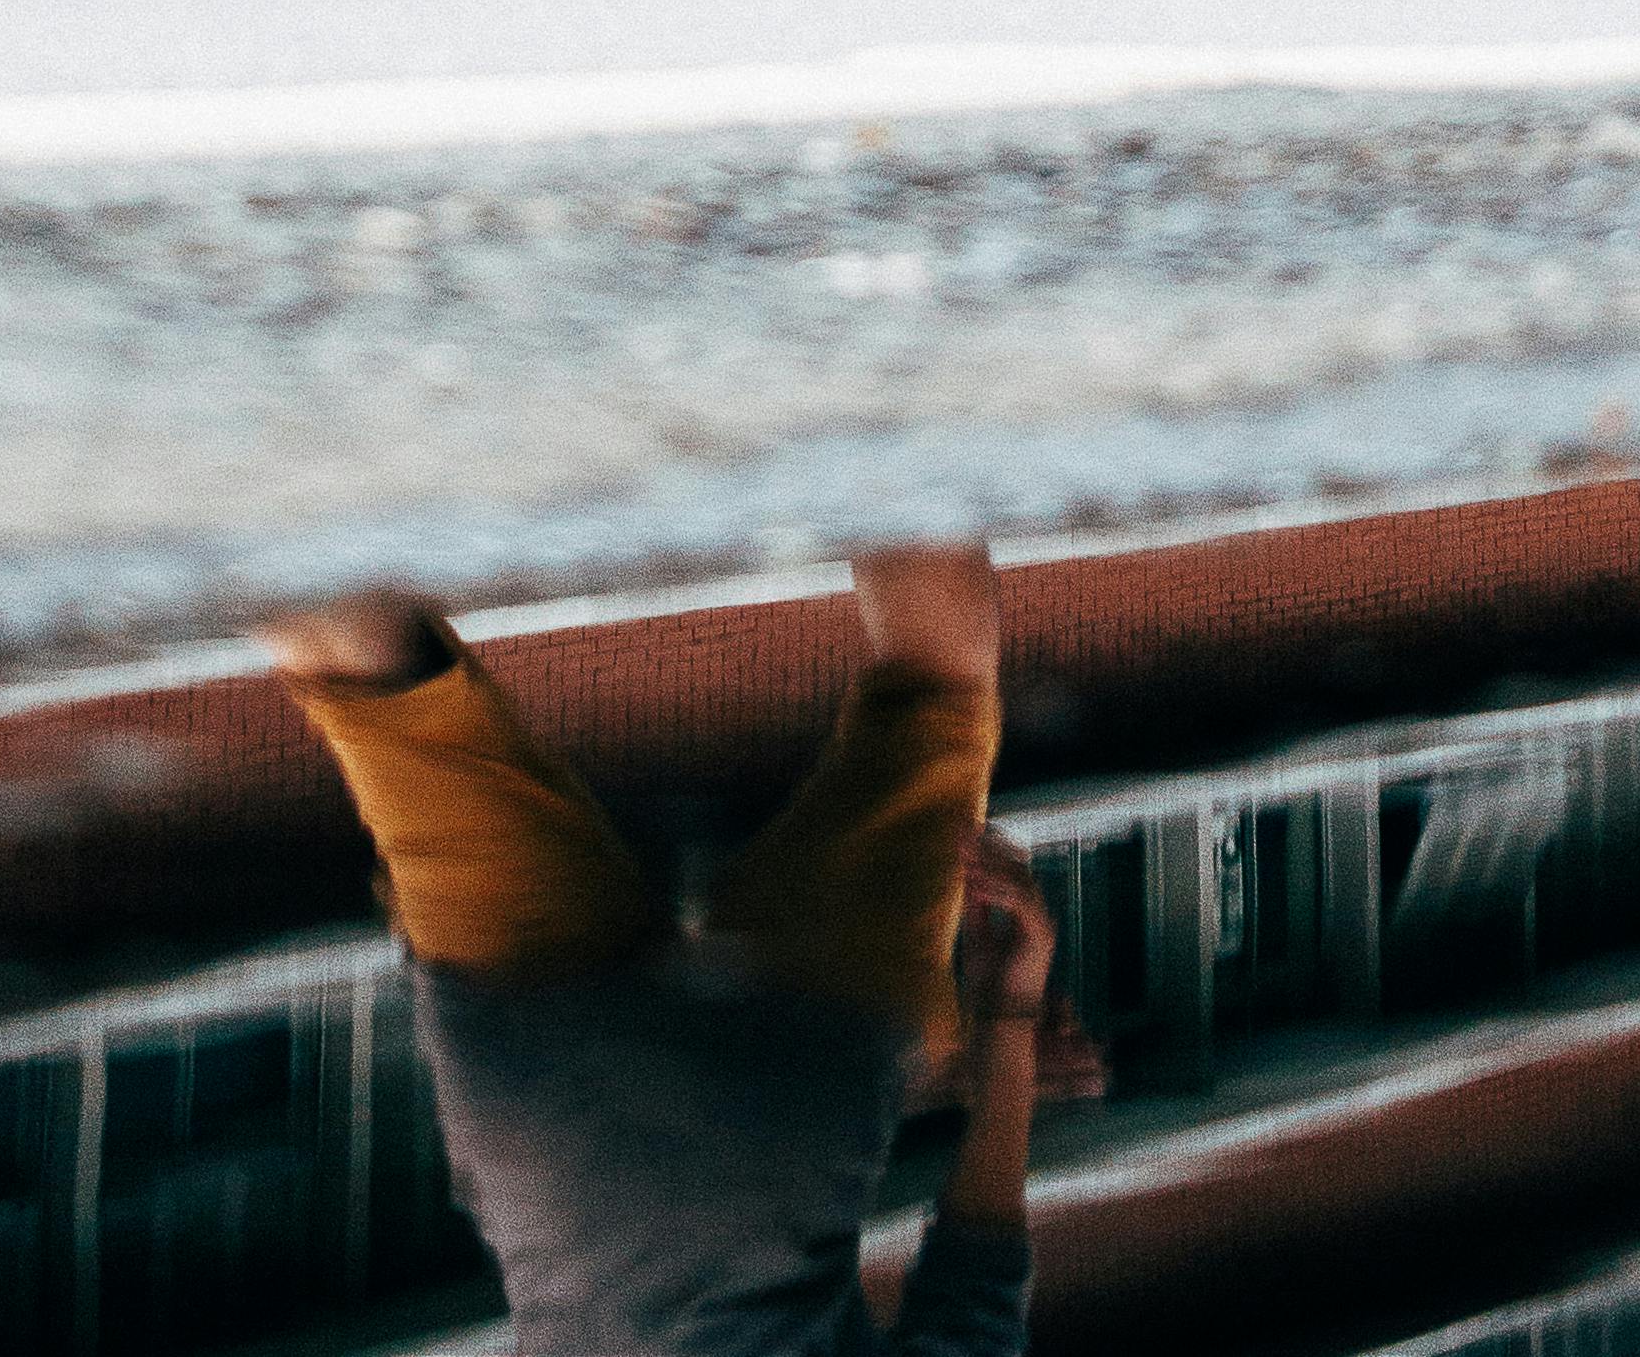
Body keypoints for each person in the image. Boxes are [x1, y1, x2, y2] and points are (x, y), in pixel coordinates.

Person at [269, 544, 1097, 1352]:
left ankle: (878, 429)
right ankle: (242, 513)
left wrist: (1010, 1010)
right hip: (563, 1142)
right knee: (381, 691)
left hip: (790, 1118)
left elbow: (976, 1278)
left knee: (935, 691)